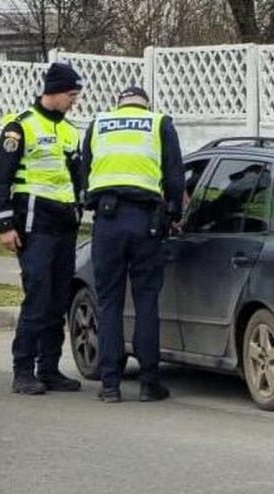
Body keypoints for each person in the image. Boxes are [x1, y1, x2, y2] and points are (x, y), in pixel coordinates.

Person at [82, 86, 184, 403]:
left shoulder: (98, 124)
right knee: (146, 301)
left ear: (120, 105)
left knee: (109, 302)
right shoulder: (159, 123)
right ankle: (149, 382)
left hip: (107, 222)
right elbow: (175, 176)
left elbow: (83, 174)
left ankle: (110, 384)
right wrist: (173, 214)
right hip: (146, 223)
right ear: (145, 105)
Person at [0, 62, 85, 395]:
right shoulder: (20, 127)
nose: (75, 101)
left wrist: (83, 206)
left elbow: (78, 177)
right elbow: (0, 178)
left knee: (59, 298)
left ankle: (49, 368)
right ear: (55, 92)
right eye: (72, 95)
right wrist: (5, 224)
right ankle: (23, 370)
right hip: (33, 222)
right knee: (38, 297)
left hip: (64, 223)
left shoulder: (72, 131)